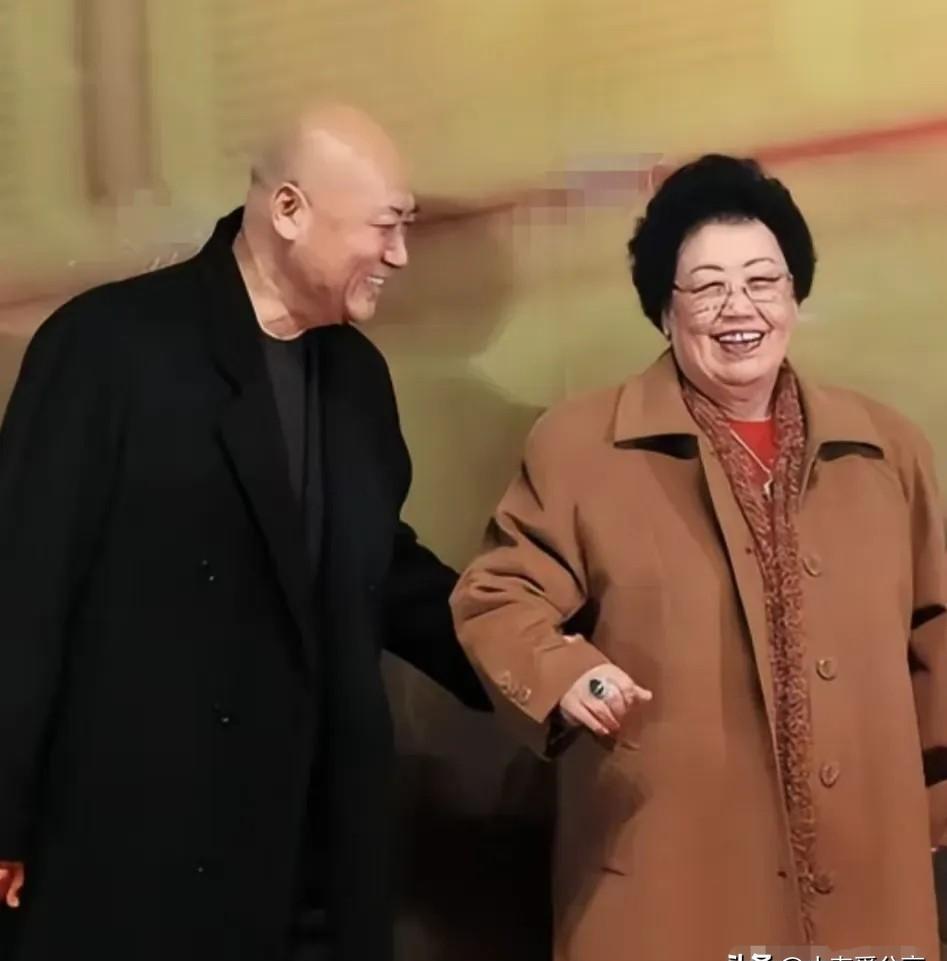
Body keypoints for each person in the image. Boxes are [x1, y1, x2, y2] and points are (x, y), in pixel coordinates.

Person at [0, 103, 487, 961]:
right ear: (289, 209)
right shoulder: (105, 348)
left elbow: (376, 566)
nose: (400, 255)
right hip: (140, 854)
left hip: (315, 864)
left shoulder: (356, 376)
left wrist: (528, 649)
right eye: (384, 226)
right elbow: (21, 593)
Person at [450, 153, 947, 960]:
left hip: (868, 875)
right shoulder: (581, 445)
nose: (737, 307)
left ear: (794, 294)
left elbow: (935, 631)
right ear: (662, 309)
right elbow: (498, 594)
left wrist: (934, 804)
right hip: (671, 874)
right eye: (706, 286)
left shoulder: (887, 450)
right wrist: (564, 672)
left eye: (762, 281)